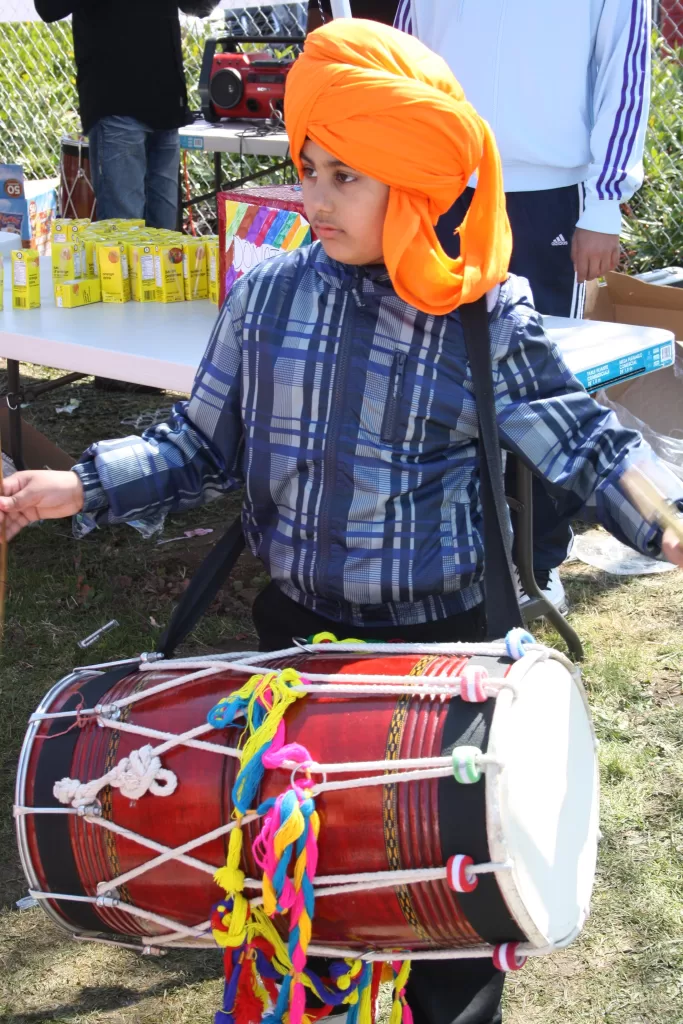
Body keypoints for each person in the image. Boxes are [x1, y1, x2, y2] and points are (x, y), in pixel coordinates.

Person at [0, 19, 681, 1024]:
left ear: (410, 181)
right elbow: (197, 446)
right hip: (296, 654)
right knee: (301, 914)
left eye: (343, 178)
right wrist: (77, 487)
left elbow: (585, 447)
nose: (311, 198)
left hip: (435, 665)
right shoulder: (268, 296)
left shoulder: (479, 314)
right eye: (307, 167)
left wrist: (664, 528)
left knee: (444, 940)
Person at [393, 0, 652, 613]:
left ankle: (537, 560)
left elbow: (625, 72)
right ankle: (449, 548)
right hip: (442, 187)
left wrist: (604, 205)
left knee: (538, 384)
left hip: (546, 197)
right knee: (434, 374)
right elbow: (404, 52)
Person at [34, 1, 218, 229]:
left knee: (166, 238)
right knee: (124, 233)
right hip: (116, 104)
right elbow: (49, 9)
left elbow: (201, 6)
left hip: (166, 102)